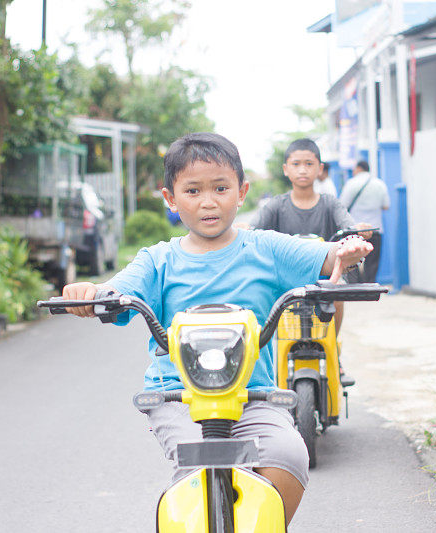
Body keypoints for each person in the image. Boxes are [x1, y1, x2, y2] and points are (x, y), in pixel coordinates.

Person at [60, 132, 372, 525]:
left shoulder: (266, 248)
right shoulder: (157, 260)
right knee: (194, 473)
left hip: (253, 395)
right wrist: (91, 293)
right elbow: (117, 290)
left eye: (220, 188)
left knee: (290, 455)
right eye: (192, 190)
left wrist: (343, 251)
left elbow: (324, 256)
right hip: (177, 396)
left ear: (241, 192)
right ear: (171, 199)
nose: (208, 201)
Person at [247, 138, 367, 333]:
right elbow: (252, 228)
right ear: (286, 169)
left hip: (325, 275)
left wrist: (358, 231)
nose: (302, 170)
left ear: (319, 169)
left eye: (309, 164)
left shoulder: (330, 203)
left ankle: (333, 351)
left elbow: (349, 226)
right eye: (296, 164)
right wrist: (245, 228)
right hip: (284, 274)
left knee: (336, 296)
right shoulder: (276, 205)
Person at [339, 160, 390, 283]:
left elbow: (342, 205)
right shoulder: (380, 184)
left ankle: (354, 286)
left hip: (355, 228)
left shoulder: (351, 184)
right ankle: (370, 285)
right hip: (375, 228)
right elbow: (386, 206)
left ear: (358, 169)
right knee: (372, 260)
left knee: (352, 258)